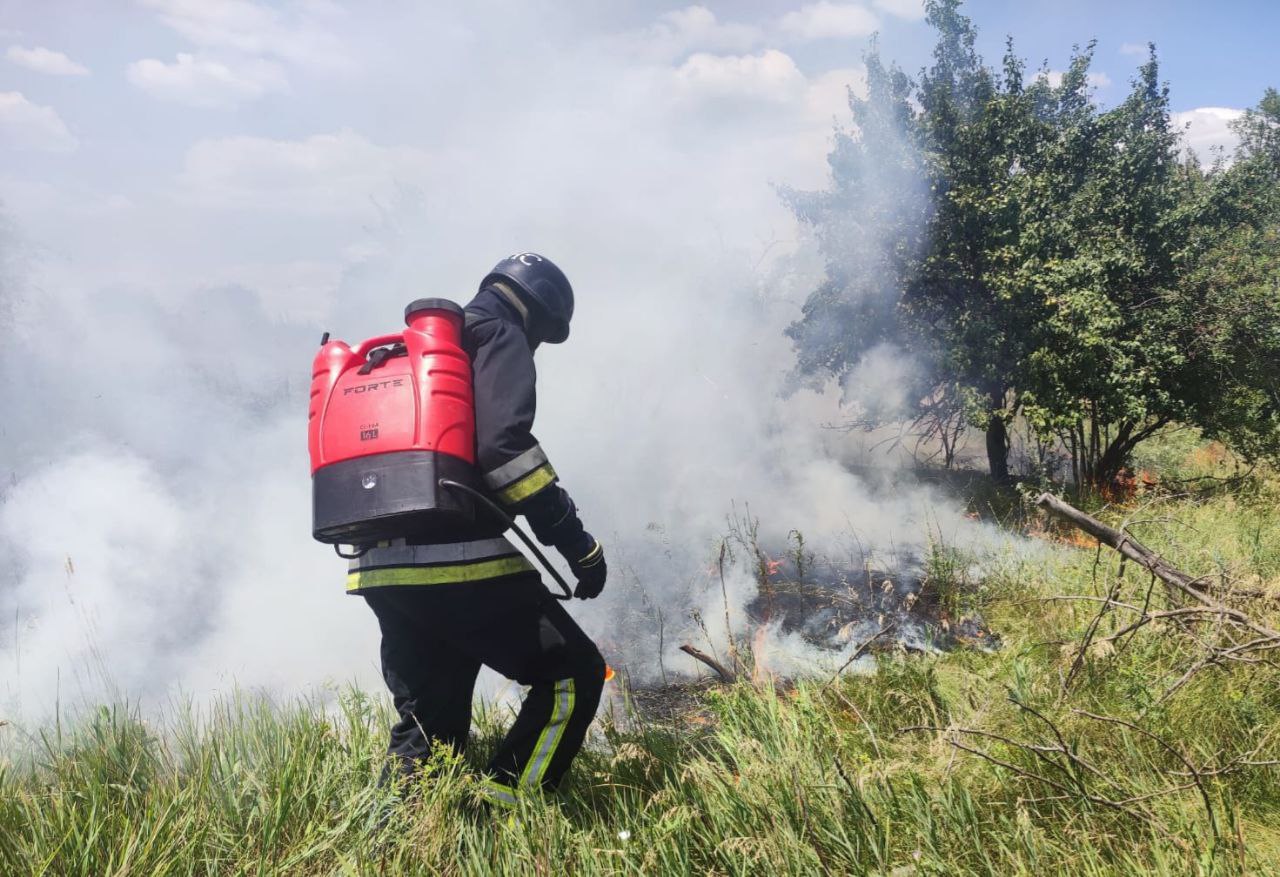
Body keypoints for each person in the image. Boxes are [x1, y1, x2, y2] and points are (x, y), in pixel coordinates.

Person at [348, 253, 608, 806]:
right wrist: (575, 542)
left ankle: (393, 843)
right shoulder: (501, 333)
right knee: (574, 675)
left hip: (378, 567)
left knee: (429, 726)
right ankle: (504, 817)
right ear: (539, 314)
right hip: (456, 561)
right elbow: (503, 451)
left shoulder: (418, 354)